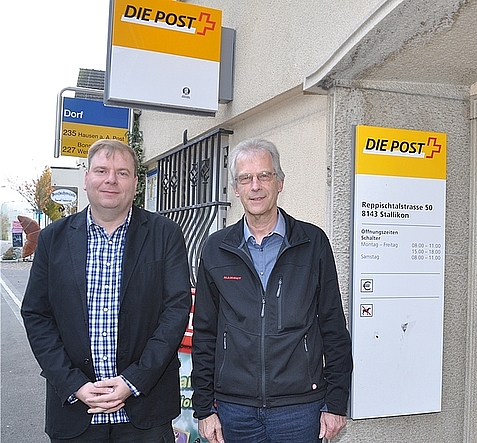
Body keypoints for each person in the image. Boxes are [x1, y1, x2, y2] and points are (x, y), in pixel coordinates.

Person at [21, 139, 192, 442]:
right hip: (75, 412)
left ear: (136, 183)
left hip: (145, 412)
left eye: (122, 173)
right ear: (87, 178)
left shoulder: (165, 234)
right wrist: (73, 383)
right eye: (102, 170)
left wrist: (134, 381)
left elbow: (176, 311)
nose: (111, 179)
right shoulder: (53, 239)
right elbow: (37, 315)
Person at [191, 138, 353, 443]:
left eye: (264, 176)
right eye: (245, 178)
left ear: (279, 183)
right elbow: (205, 333)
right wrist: (203, 409)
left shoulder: (312, 242)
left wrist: (336, 403)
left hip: (301, 409)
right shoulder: (216, 248)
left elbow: (333, 327)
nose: (256, 186)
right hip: (234, 410)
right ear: (236, 189)